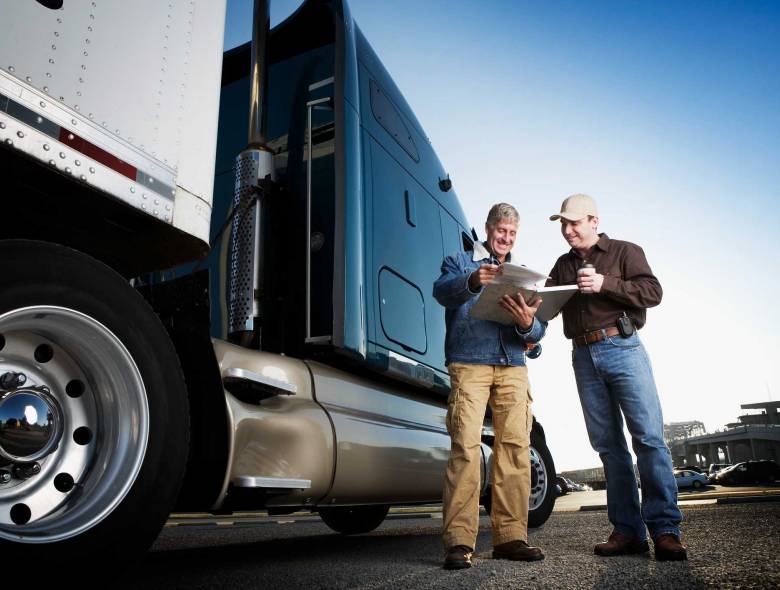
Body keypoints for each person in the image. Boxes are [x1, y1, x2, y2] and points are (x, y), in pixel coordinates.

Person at [546, 193, 686, 561]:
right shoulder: (561, 264)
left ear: (594, 220)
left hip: (623, 347)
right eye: (563, 223)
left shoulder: (625, 251)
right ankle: (627, 531)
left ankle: (666, 530)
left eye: (574, 223)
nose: (567, 230)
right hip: (582, 356)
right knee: (609, 446)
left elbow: (653, 293)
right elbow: (545, 307)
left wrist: (605, 283)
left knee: (649, 438)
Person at [433, 203, 546, 570]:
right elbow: (442, 292)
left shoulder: (523, 276)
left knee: (515, 448)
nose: (506, 238)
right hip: (469, 363)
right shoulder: (460, 263)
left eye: (512, 233)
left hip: (513, 364)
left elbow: (538, 332)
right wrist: (472, 281)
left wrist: (529, 326)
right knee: (465, 448)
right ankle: (459, 543)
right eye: (501, 230)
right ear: (488, 228)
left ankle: (511, 538)